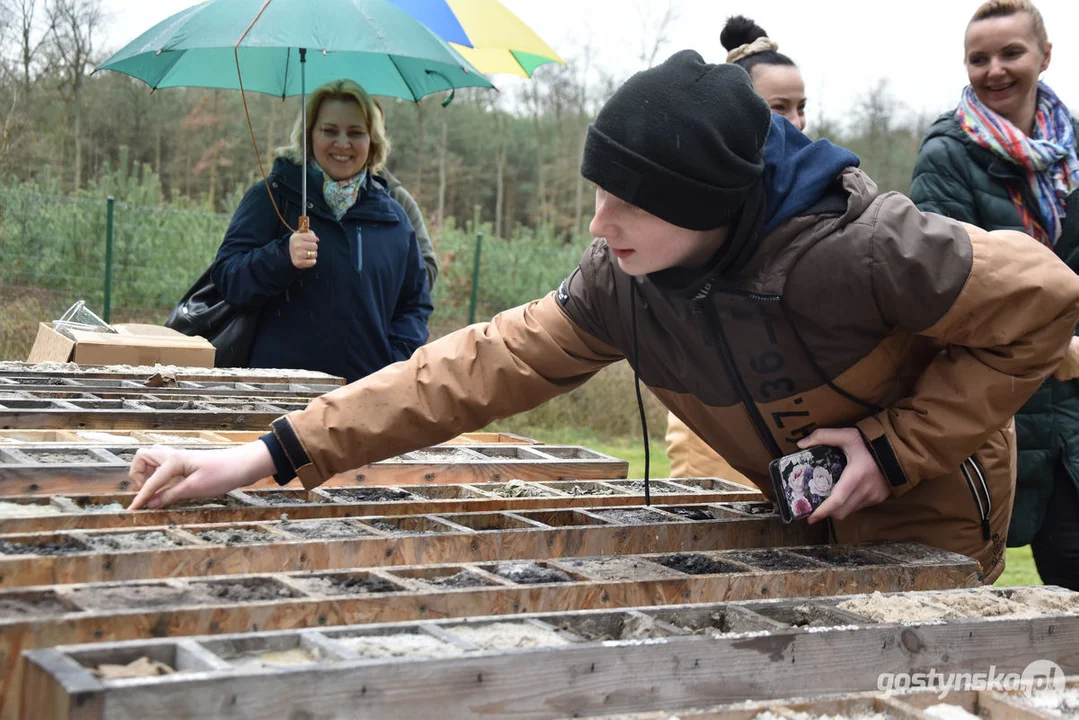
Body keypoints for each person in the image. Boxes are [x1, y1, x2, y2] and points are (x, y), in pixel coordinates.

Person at [129, 50, 1079, 585]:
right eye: (597, 193)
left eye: (631, 202)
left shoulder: (865, 249)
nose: (598, 225)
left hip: (932, 515)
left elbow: (1045, 300)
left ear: (711, 205)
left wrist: (894, 446)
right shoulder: (617, 283)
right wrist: (268, 453)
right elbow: (472, 366)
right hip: (790, 509)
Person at [909, 0, 1079, 588]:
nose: (995, 70)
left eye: (1011, 53)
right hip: (995, 402)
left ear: (1045, 55)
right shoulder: (946, 155)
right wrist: (1061, 344)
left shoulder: (1075, 149)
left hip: (1073, 416)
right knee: (967, 585)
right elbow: (947, 290)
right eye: (978, 58)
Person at [665, 14, 810, 486]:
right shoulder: (700, 199)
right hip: (713, 417)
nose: (797, 122)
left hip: (790, 418)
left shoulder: (814, 193)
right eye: (779, 107)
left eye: (801, 106)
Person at [211, 79, 432, 383]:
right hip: (277, 393)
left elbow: (414, 305)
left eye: (356, 133)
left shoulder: (393, 217)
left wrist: (393, 362)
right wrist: (281, 255)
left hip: (362, 396)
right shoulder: (273, 198)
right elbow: (227, 279)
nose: (342, 143)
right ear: (308, 135)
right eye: (329, 131)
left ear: (373, 142)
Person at [371, 98, 439, 290]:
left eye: (360, 132)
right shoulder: (297, 195)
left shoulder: (398, 200)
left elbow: (428, 273)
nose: (345, 143)